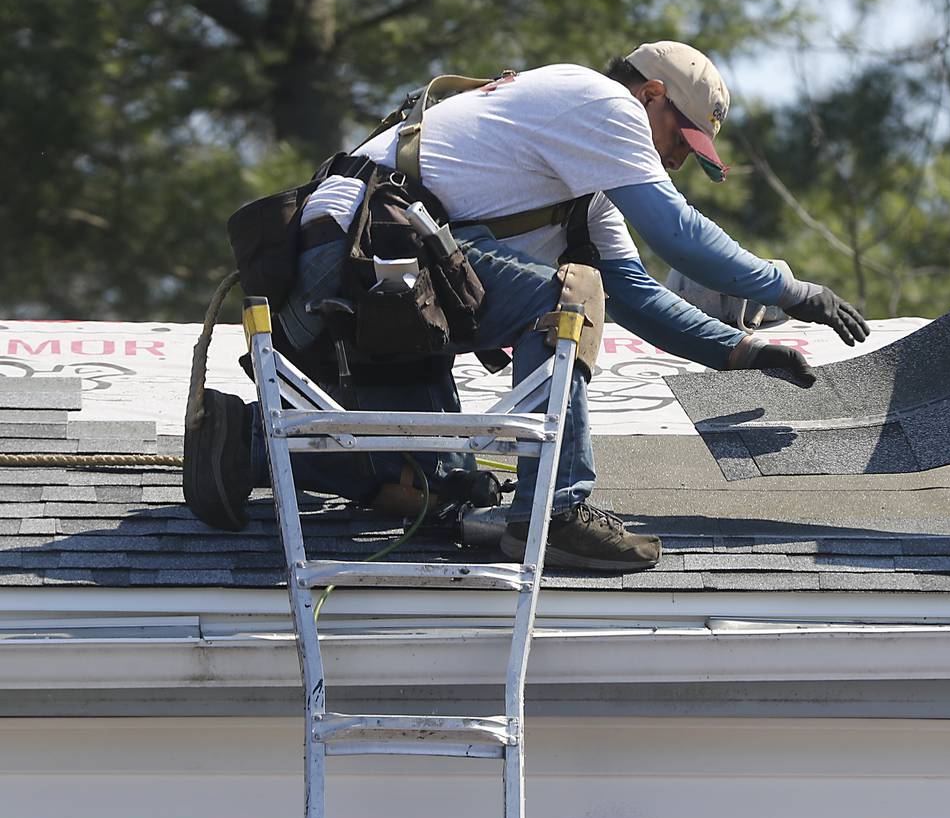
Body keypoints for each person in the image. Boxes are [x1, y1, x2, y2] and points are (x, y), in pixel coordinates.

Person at [185, 41, 868, 573]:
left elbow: (635, 292)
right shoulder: (602, 102)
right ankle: (556, 512)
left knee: (446, 483)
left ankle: (240, 445)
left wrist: (741, 350)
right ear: (651, 94)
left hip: (373, 267)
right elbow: (679, 238)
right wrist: (792, 290)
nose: (673, 162)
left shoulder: (584, 185)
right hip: (364, 250)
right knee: (564, 301)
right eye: (678, 142)